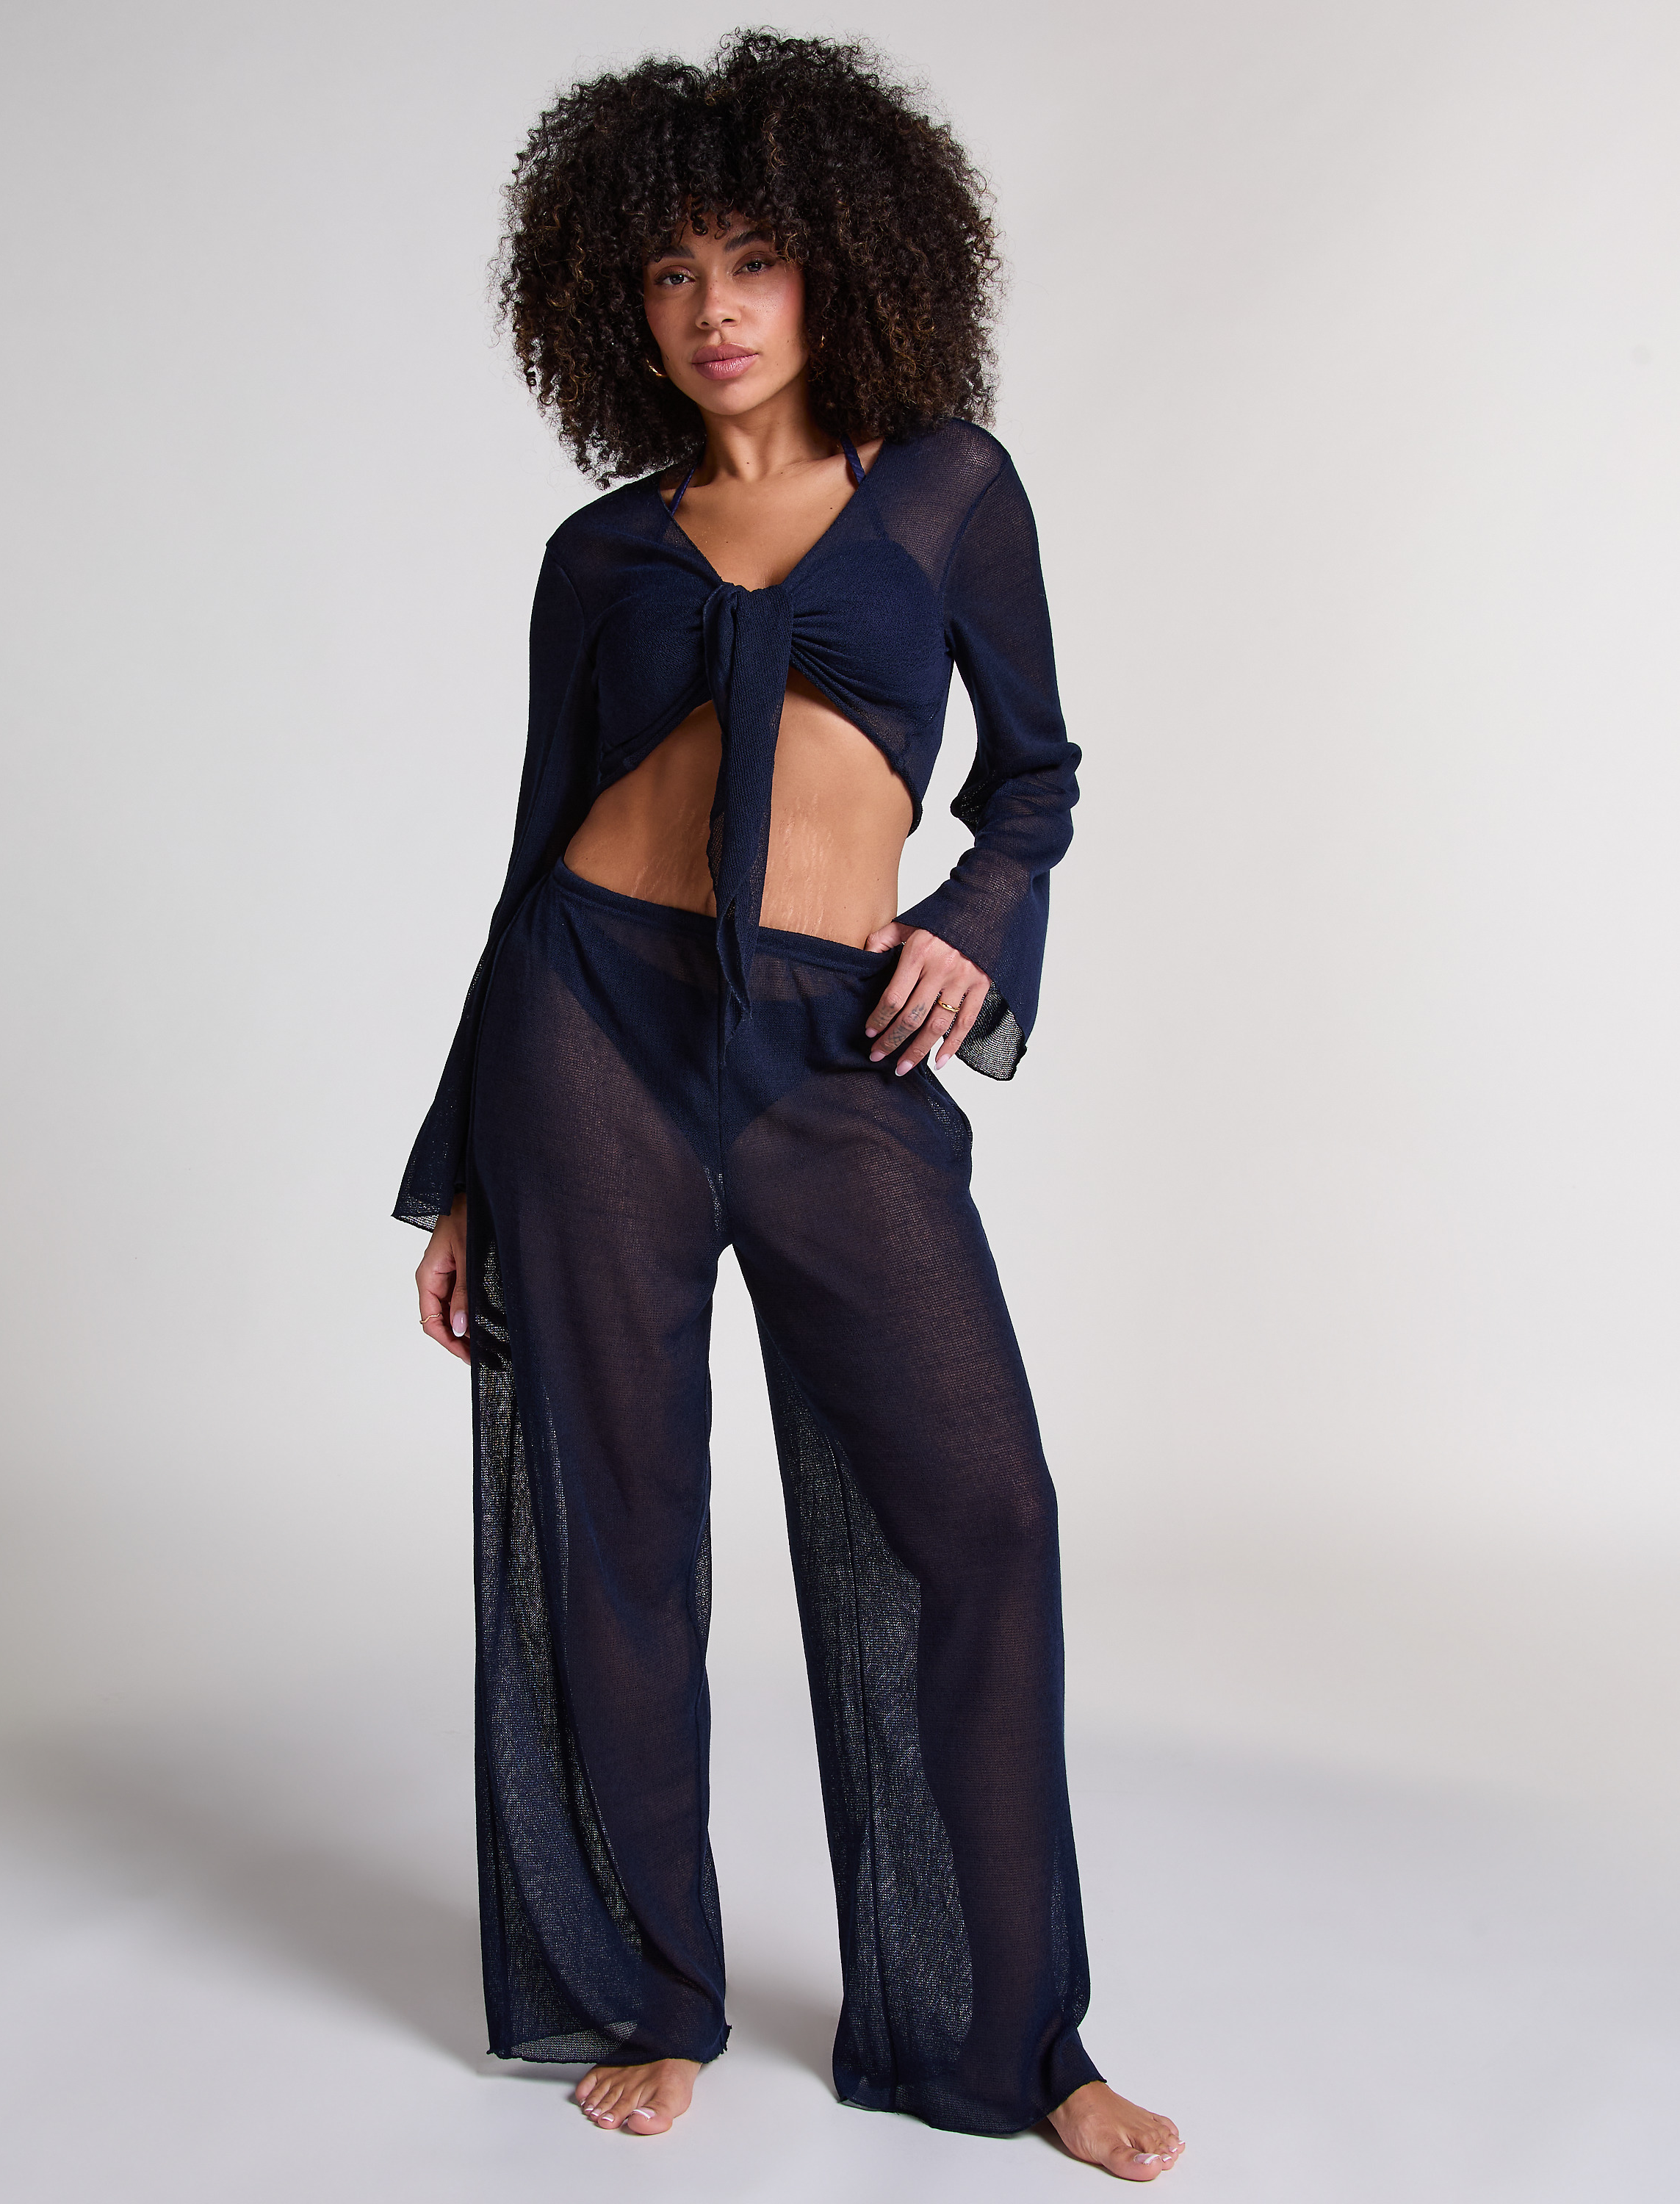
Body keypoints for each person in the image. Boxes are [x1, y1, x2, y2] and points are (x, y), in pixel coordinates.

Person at [398, 30, 1183, 2180]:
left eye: (751, 260)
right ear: (617, 308)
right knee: (617, 1538)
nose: (713, 307)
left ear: (841, 265)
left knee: (982, 1517)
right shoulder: (601, 555)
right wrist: (462, 1173)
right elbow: (530, 852)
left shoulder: (946, 492)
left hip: (834, 1056)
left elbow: (1035, 778)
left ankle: (1009, 2043)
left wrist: (976, 921)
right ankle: (648, 1995)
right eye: (669, 273)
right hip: (587, 1040)